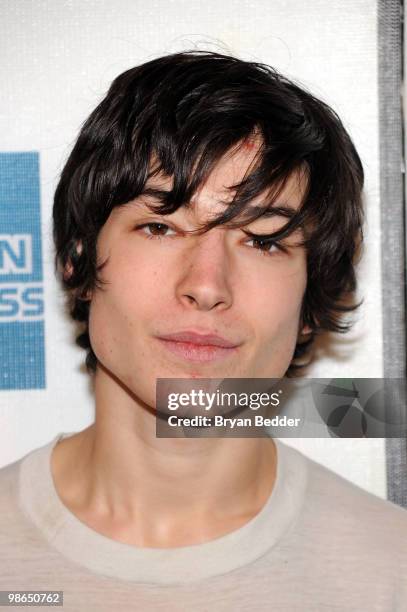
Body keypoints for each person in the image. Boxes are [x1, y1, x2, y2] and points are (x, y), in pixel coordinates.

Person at [0, 50, 406, 611]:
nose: (208, 285)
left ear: (311, 297)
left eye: (263, 240)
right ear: (78, 260)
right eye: (160, 227)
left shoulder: (392, 574)